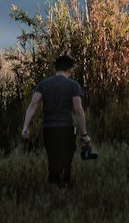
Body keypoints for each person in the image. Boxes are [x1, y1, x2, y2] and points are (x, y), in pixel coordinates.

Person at [21, 54, 93, 187]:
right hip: (66, 128)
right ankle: (64, 188)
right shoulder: (73, 85)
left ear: (55, 68)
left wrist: (25, 126)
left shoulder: (44, 84)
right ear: (70, 70)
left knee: (53, 159)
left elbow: (33, 105)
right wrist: (84, 134)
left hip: (49, 128)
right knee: (66, 160)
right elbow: (78, 110)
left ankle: (53, 187)